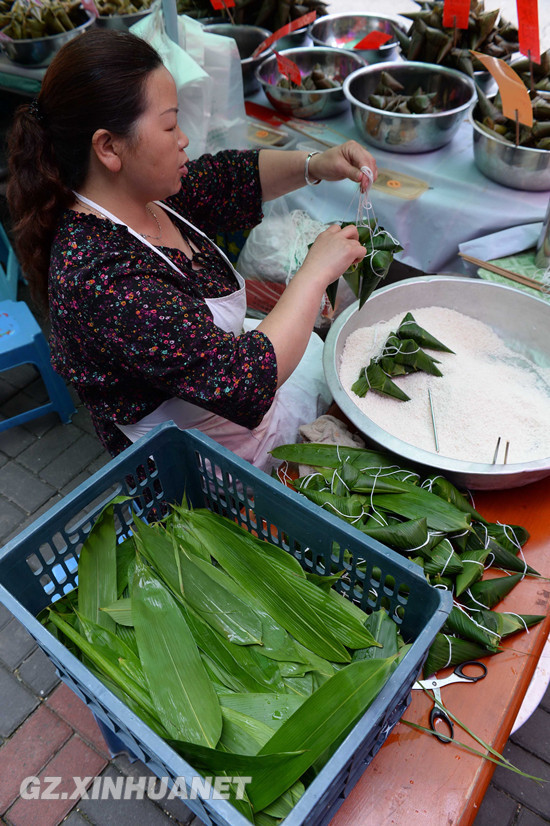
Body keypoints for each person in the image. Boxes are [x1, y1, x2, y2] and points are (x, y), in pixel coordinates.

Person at [7, 28, 377, 472]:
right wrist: (314, 273)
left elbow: (230, 177)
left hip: (258, 419)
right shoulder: (101, 280)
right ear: (108, 147)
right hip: (213, 472)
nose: (183, 139)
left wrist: (314, 164)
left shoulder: (144, 196)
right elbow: (243, 382)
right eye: (169, 124)